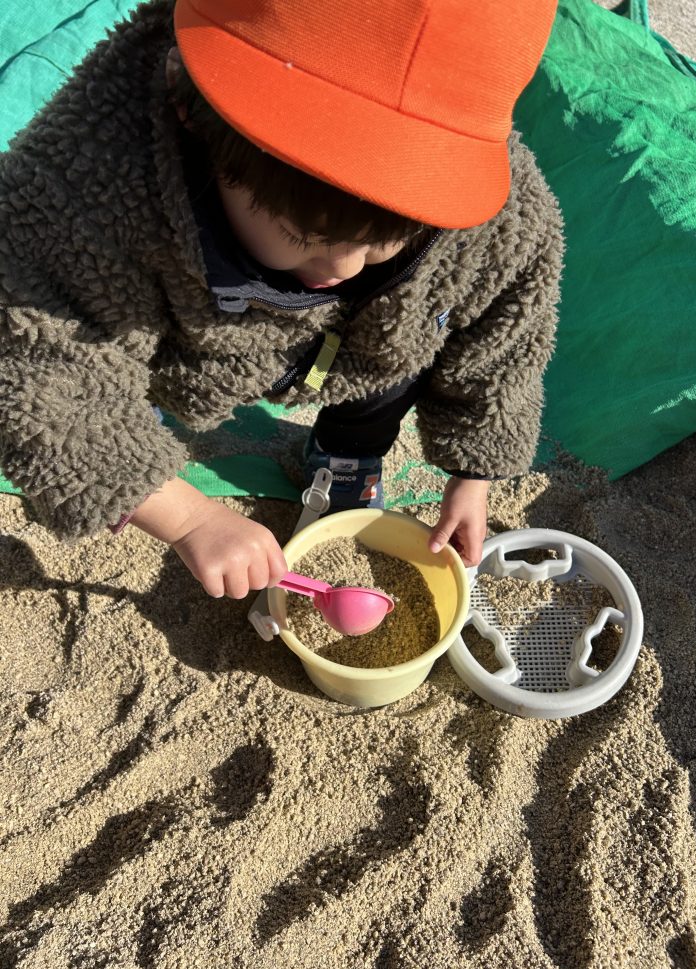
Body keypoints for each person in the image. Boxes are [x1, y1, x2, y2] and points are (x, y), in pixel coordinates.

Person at [0, 0, 563, 601]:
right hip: (189, 340)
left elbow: (509, 326)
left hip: (367, 347)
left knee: (395, 362)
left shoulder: (496, 217)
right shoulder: (88, 185)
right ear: (192, 111)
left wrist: (473, 471)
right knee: (100, 392)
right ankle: (136, 418)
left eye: (381, 242)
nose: (343, 270)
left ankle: (345, 455)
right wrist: (187, 517)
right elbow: (31, 369)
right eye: (305, 237)